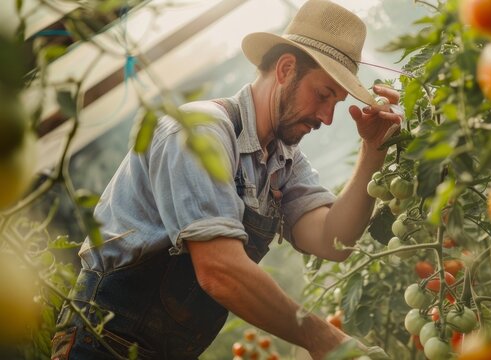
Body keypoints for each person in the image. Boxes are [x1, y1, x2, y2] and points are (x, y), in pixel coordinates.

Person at [50, 1, 402, 359]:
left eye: (337, 103)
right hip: (102, 343)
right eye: (323, 95)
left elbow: (334, 241)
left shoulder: (282, 160)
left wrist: (374, 150)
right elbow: (218, 269)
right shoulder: (200, 133)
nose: (327, 116)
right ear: (285, 69)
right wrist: (320, 336)